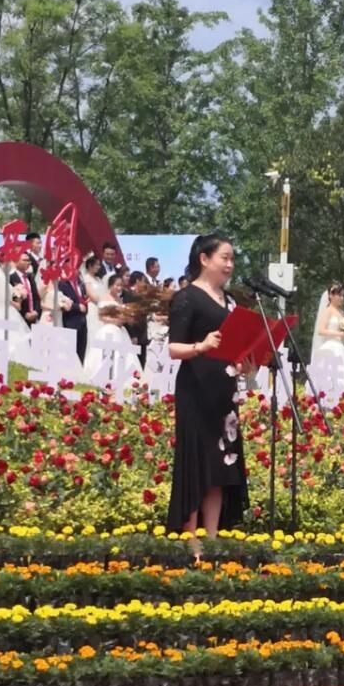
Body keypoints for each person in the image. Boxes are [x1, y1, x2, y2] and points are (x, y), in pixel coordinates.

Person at [166, 233, 251, 559]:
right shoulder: (187, 297)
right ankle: (191, 541)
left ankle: (212, 539)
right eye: (224, 258)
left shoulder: (229, 301)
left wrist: (245, 362)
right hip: (196, 389)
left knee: (220, 466)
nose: (230, 265)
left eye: (232, 259)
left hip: (223, 389)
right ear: (204, 259)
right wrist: (201, 346)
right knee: (196, 463)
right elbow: (174, 348)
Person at [310, 282, 344, 401]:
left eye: (343, 295)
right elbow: (321, 330)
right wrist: (338, 334)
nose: (342, 298)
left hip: (342, 347)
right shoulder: (328, 310)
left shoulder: (342, 313)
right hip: (330, 347)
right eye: (339, 295)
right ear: (331, 296)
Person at [57, 267, 89, 362]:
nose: (77, 271)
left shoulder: (80, 284)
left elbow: (83, 299)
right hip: (71, 321)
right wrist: (77, 307)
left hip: (82, 321)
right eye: (75, 269)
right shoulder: (63, 284)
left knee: (81, 351)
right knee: (71, 353)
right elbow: (61, 302)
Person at [123, 271, 150, 368]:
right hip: (134, 334)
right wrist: (132, 334)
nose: (144, 283)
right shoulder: (128, 295)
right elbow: (127, 316)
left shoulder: (143, 295)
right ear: (138, 281)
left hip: (143, 335)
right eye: (143, 281)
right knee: (134, 364)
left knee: (142, 363)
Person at [10, 252, 41, 328]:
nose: (28, 262)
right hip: (19, 318)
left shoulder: (30, 277)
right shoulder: (11, 278)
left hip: (33, 318)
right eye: (25, 260)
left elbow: (36, 297)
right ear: (16, 261)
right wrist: (24, 314)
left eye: (29, 260)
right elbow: (14, 301)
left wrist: (36, 311)